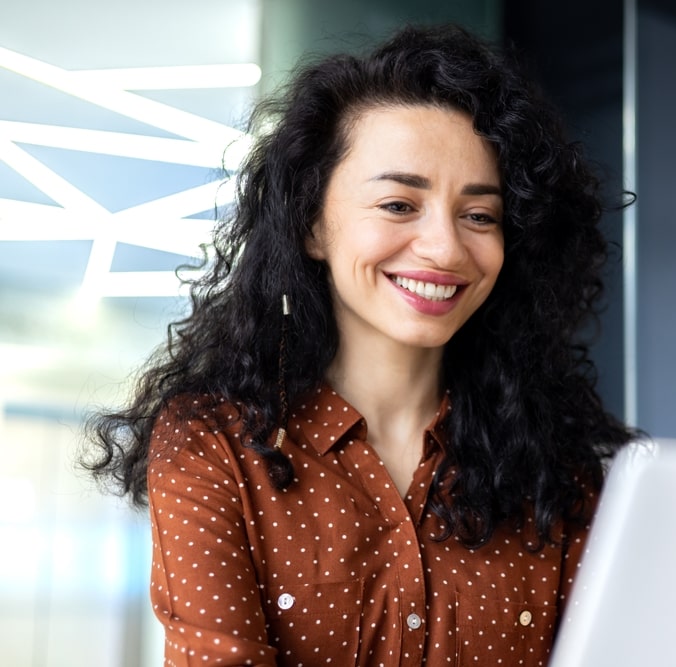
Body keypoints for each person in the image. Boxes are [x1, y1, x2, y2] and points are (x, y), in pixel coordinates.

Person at [84, 24, 633, 667]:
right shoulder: (214, 446)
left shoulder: (559, 472)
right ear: (313, 224)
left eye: (479, 215)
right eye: (400, 204)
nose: (446, 248)